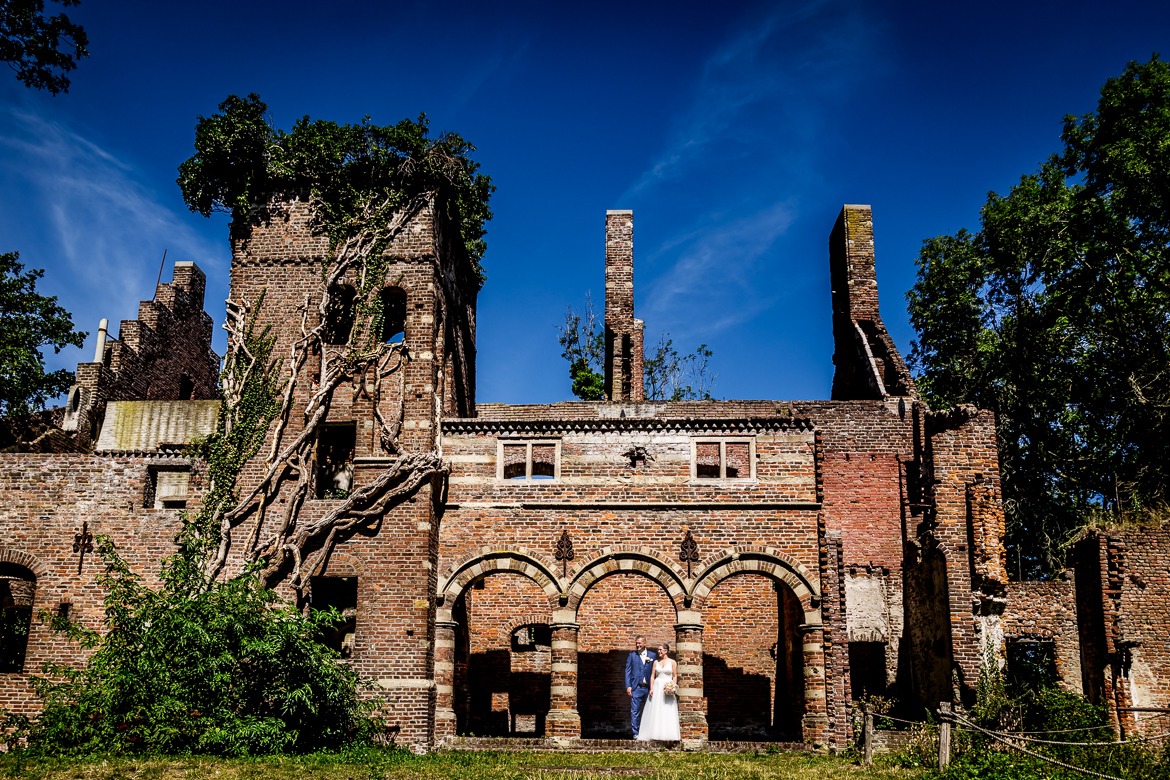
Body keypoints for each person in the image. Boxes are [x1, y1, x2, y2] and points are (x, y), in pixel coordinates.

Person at [636, 642, 681, 741]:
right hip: (657, 686)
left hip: (667, 686)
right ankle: (654, 733)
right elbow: (652, 676)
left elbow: (674, 676)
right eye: (658, 650)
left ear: (666, 651)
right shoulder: (656, 662)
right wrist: (651, 688)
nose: (659, 652)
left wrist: (672, 686)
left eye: (660, 650)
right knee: (656, 709)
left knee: (666, 709)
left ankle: (668, 734)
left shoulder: (672, 662)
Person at [624, 635, 656, 739]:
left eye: (639, 643)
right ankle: (636, 733)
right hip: (636, 687)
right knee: (635, 711)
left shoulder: (652, 655)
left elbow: (655, 672)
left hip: (648, 687)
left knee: (650, 710)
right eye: (636, 643)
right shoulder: (632, 655)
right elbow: (627, 671)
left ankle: (649, 732)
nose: (638, 645)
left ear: (644, 643)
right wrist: (628, 686)